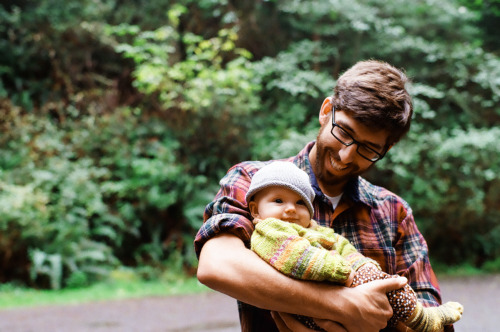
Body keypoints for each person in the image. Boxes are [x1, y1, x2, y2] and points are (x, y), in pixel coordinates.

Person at [195, 60, 451, 332]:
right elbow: (217, 265)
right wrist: (342, 305)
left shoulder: (393, 212)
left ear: (388, 146)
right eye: (344, 132)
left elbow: (432, 319)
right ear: (327, 110)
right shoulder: (252, 180)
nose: (345, 156)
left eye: (368, 149)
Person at [246, 161, 463, 332]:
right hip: (309, 309)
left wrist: (362, 266)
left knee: (381, 289)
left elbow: (342, 246)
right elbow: (297, 258)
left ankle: (415, 320)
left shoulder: (315, 230)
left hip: (338, 293)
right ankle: (425, 319)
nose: (291, 209)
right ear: (255, 210)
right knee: (388, 287)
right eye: (278, 201)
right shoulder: (269, 231)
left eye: (300, 202)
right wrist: (348, 274)